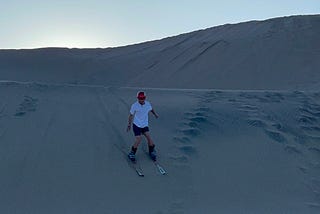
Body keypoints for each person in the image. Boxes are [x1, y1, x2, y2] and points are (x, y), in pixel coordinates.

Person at [127, 91, 159, 161]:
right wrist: (129, 124)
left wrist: (155, 114)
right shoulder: (134, 105)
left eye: (142, 98)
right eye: (140, 98)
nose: (141, 100)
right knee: (138, 139)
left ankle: (151, 151)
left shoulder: (147, 104)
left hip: (144, 125)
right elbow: (131, 115)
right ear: (137, 98)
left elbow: (151, 109)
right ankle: (132, 153)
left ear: (145, 98)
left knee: (149, 137)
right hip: (136, 125)